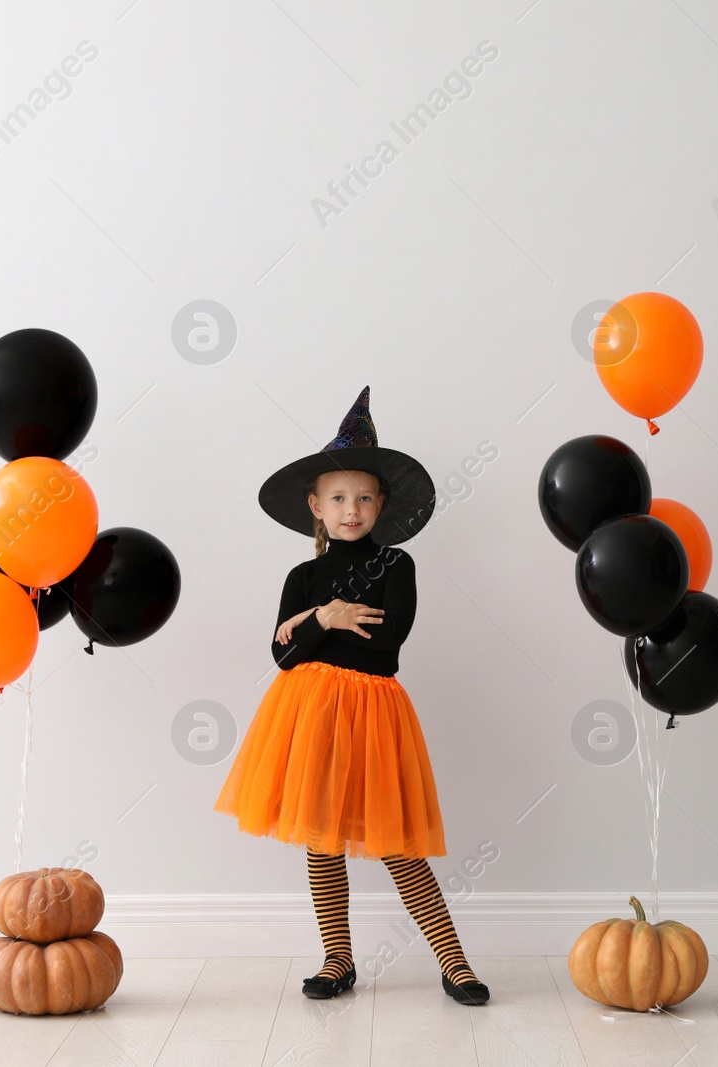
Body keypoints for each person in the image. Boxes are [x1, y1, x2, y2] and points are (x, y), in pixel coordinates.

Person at [213, 386, 489, 1006]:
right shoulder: (302, 578)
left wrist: (320, 625)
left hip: (372, 715)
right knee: (321, 839)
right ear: (315, 505)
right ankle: (338, 958)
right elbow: (284, 656)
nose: (352, 508)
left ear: (381, 504)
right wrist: (325, 616)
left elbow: (387, 645)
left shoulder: (395, 565)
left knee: (396, 842)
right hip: (307, 717)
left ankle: (454, 962)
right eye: (339, 498)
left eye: (364, 497)